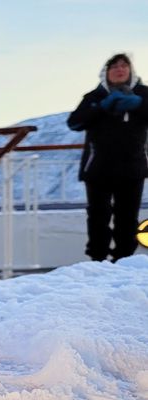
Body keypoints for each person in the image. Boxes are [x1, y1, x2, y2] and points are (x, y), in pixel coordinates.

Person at [67, 53, 148, 262]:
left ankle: (123, 260)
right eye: (114, 66)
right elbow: (75, 122)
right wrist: (101, 108)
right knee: (98, 217)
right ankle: (97, 261)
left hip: (132, 168)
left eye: (124, 65)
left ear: (131, 70)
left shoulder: (143, 93)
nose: (120, 69)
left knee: (127, 218)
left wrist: (139, 104)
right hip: (98, 168)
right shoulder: (94, 97)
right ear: (106, 72)